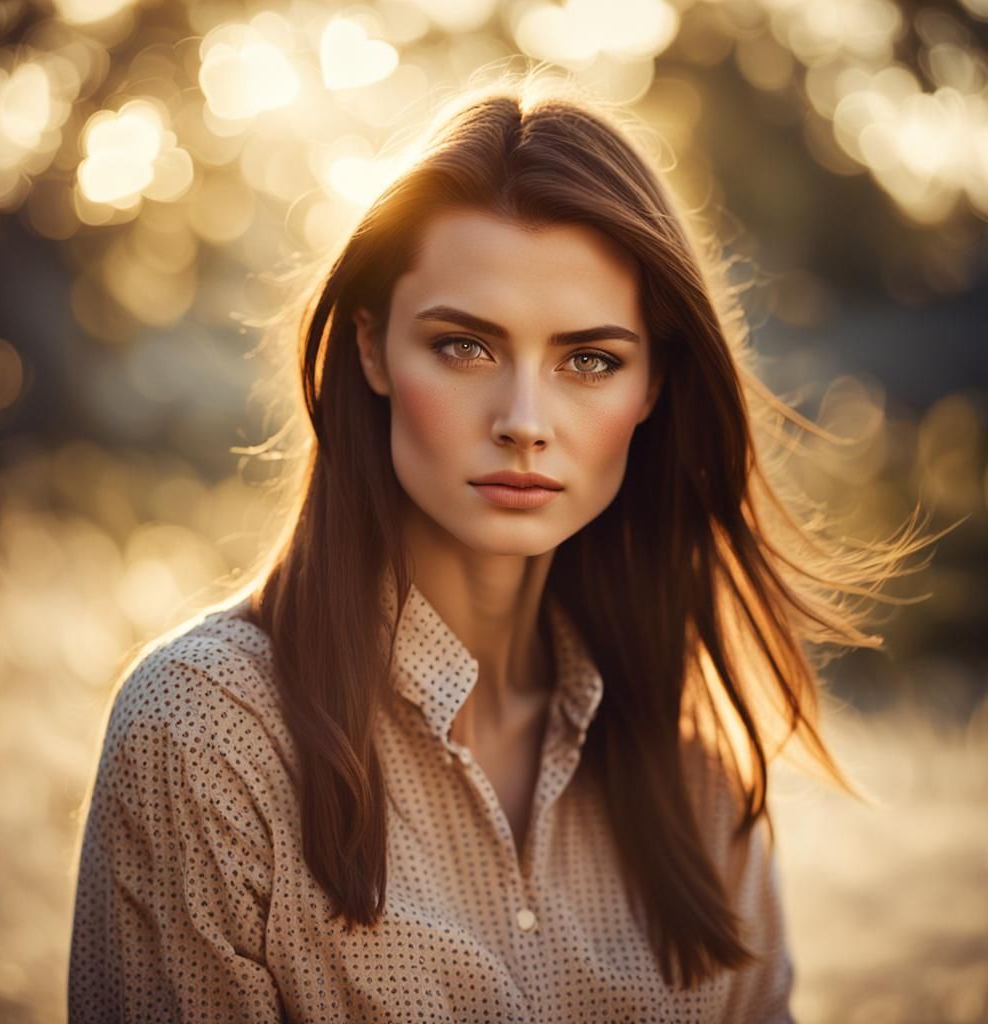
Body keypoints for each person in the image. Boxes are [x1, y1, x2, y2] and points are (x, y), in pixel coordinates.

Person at [67, 73, 933, 1023]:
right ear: (371, 349)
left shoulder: (698, 782)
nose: (524, 422)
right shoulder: (204, 733)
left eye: (589, 361)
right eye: (465, 347)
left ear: (651, 389)